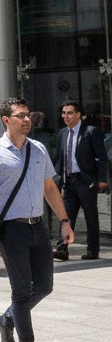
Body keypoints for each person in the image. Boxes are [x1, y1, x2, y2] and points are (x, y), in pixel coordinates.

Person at [0, 96, 74, 342]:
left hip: (37, 227)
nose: (27, 119)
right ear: (6, 120)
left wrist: (65, 221)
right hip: (11, 230)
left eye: (28, 114)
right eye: (21, 115)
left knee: (44, 286)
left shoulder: (38, 149)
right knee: (21, 292)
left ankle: (7, 319)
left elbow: (50, 188)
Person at [52, 100, 108, 262]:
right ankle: (62, 249)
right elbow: (59, 159)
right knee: (66, 216)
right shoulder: (62, 134)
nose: (65, 116)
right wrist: (56, 178)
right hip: (68, 181)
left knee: (90, 216)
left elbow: (102, 157)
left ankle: (92, 250)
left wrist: (102, 179)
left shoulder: (90, 132)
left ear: (78, 115)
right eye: (63, 113)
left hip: (86, 181)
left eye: (69, 113)